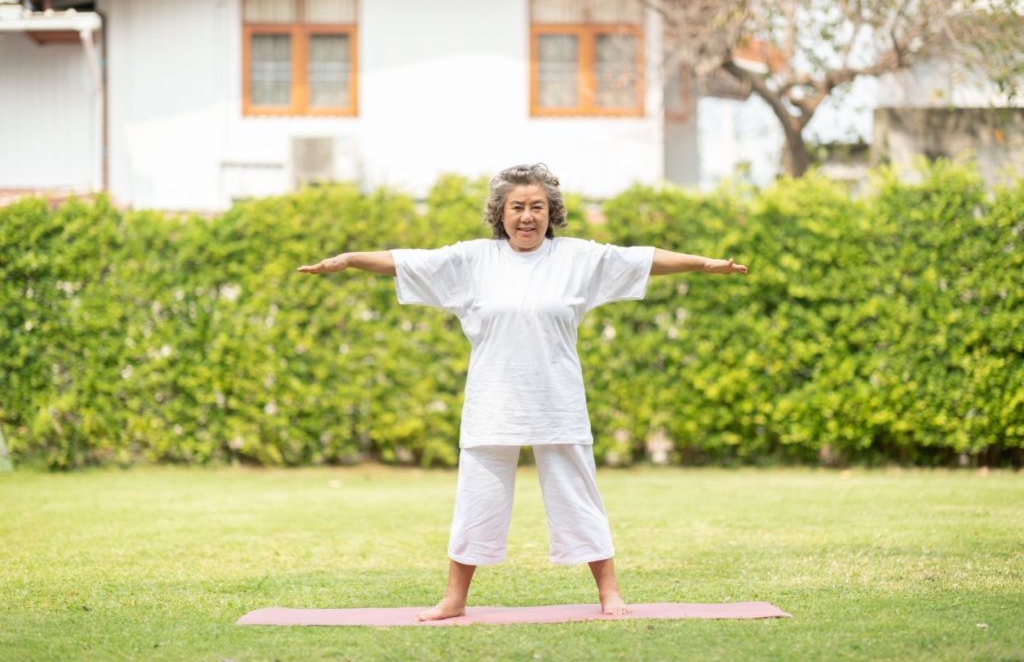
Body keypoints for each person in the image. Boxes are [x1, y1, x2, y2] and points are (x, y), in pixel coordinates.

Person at [297, 163, 748, 621]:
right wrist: (351, 259)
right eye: (518, 207)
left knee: (579, 496)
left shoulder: (575, 258)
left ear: (552, 212)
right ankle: (454, 599)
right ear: (501, 213)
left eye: (537, 207)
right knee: (476, 501)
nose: (528, 216)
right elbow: (408, 260)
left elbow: (641, 258)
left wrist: (702, 264)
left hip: (558, 400)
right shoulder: (473, 260)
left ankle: (610, 594)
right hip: (494, 403)